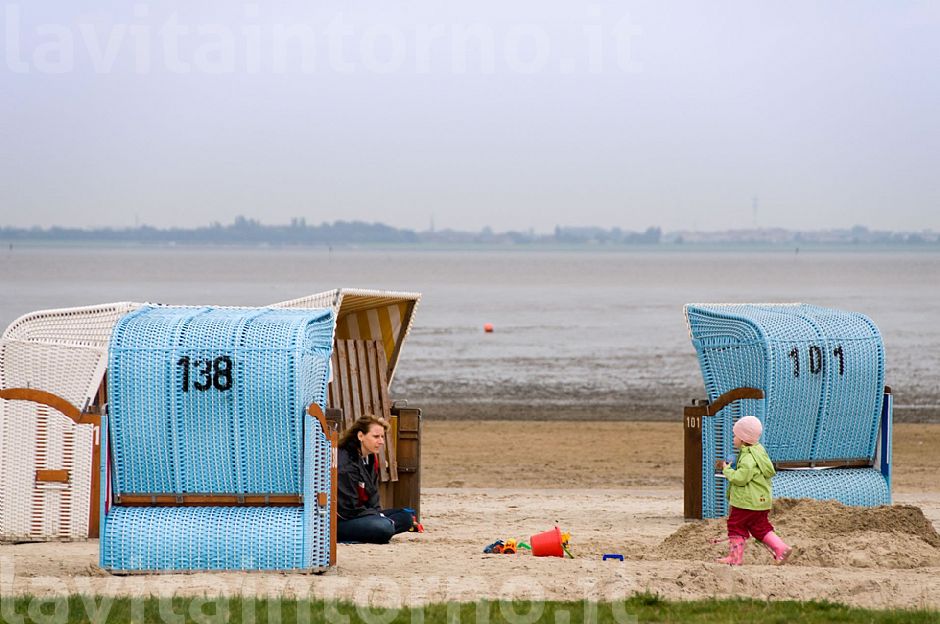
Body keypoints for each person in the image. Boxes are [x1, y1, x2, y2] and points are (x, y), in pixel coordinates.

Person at [716, 415, 792, 565]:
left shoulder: (748, 458)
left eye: (735, 435)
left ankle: (735, 557)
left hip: (746, 502)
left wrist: (727, 470)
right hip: (761, 502)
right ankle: (780, 547)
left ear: (743, 439)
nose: (733, 439)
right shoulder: (759, 452)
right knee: (759, 527)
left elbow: (740, 478)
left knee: (735, 525)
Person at [337, 414, 414, 543]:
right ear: (360, 436)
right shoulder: (345, 462)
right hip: (343, 520)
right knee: (383, 527)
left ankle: (384, 526)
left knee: (407, 517)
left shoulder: (370, 457)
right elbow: (347, 509)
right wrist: (378, 517)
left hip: (364, 515)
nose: (381, 441)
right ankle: (382, 528)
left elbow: (373, 498)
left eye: (382, 437)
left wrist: (378, 514)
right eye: (376, 437)